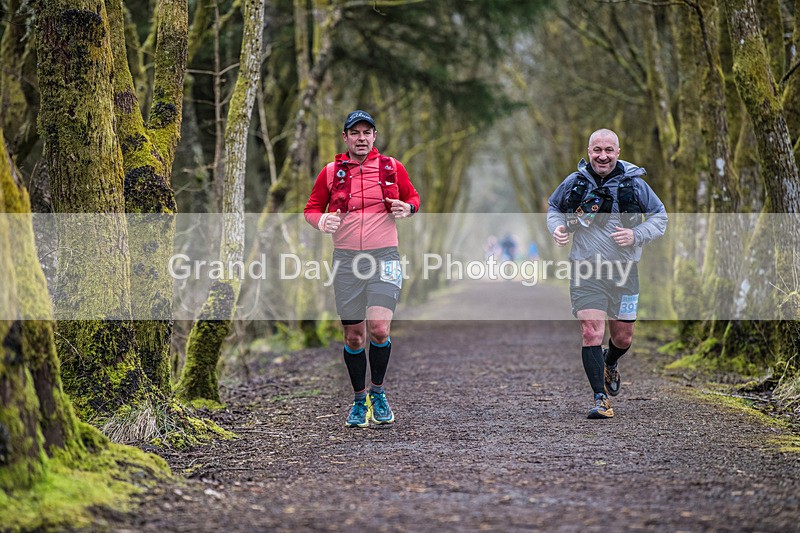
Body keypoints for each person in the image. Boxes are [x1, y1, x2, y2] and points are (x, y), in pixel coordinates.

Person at [304, 110, 420, 428]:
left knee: (379, 329)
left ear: (374, 136)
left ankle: (378, 394)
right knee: (354, 337)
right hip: (346, 260)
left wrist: (408, 208)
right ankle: (359, 401)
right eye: (355, 132)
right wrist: (321, 221)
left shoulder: (392, 167)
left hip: (385, 256)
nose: (361, 138)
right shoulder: (330, 173)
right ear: (345, 137)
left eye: (367, 132)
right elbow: (311, 209)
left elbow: (413, 197)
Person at [546, 128, 667, 419]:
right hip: (586, 268)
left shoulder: (635, 184)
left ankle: (610, 361)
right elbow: (553, 207)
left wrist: (636, 234)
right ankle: (601, 399)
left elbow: (660, 216)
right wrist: (557, 228)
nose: (603, 156)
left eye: (608, 150)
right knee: (591, 331)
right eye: (597, 150)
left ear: (618, 152)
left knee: (623, 337)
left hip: (625, 271)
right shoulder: (574, 182)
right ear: (589, 151)